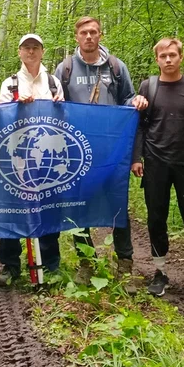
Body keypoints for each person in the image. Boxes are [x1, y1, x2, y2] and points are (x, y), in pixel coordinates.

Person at [53, 16, 148, 290]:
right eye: (84, 32)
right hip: (77, 152)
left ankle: (125, 264)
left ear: (100, 35)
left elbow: (127, 97)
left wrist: (136, 100)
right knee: (78, 207)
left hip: (111, 152)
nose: (89, 36)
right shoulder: (66, 68)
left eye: (94, 32)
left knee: (117, 205)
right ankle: (86, 263)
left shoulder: (116, 67)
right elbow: (55, 101)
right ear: (77, 37)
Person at [133, 37, 184, 303]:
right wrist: (137, 158)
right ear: (156, 59)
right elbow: (141, 125)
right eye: (163, 56)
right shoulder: (148, 86)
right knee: (156, 218)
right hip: (156, 163)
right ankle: (160, 271)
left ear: (181, 57)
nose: (168, 60)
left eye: (172, 55)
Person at [0, 33, 64, 284]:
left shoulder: (54, 82)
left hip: (47, 157)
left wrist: (59, 104)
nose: (31, 52)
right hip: (18, 158)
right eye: (26, 48)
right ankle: (10, 265)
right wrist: (16, 106)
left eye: (35, 48)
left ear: (42, 51)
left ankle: (51, 264)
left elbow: (62, 120)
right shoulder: (10, 83)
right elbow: (1, 119)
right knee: (12, 211)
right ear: (19, 52)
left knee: (47, 211)